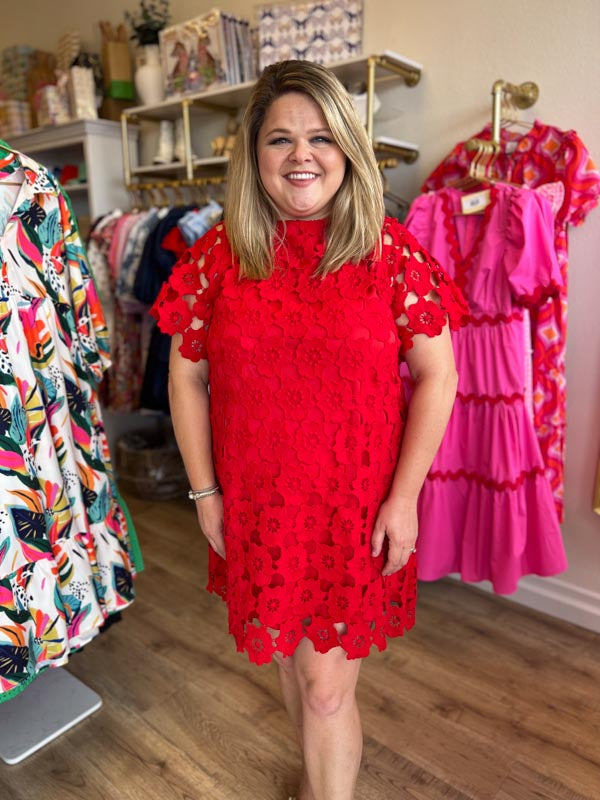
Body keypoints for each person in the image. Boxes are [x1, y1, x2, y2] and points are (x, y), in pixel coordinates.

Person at [151, 60, 468, 800]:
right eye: (280, 138)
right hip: (259, 504)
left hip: (354, 508)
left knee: (326, 686)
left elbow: (438, 376)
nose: (302, 154)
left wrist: (405, 498)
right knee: (294, 667)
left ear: (349, 150)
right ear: (253, 156)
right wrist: (204, 492)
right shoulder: (217, 258)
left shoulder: (388, 256)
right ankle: (316, 770)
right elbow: (185, 378)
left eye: (322, 137)